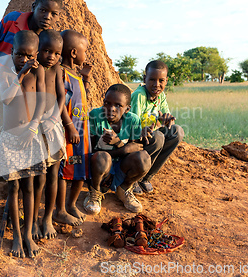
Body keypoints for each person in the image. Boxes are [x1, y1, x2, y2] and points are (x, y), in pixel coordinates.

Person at [0, 0, 63, 228]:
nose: (47, 17)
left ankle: (15, 205)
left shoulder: (45, 39)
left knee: (17, 147)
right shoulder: (12, 21)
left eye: (53, 14)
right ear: (33, 6)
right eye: (43, 10)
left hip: (19, 100)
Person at [0, 30, 46, 258]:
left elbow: (43, 100)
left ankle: (27, 234)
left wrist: (34, 125)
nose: (24, 60)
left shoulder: (40, 71)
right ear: (12, 52)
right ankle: (16, 235)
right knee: (13, 187)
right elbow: (6, 98)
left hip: (31, 136)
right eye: (19, 56)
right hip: (10, 138)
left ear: (36, 54)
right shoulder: (5, 72)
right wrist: (21, 74)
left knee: (29, 186)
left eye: (29, 56)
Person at [85, 84, 151, 214]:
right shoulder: (96, 116)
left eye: (118, 105)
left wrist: (119, 143)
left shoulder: (133, 120)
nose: (111, 109)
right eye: (107, 103)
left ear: (127, 108)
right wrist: (123, 149)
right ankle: (95, 191)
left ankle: (124, 189)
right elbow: (90, 152)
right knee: (102, 157)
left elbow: (134, 152)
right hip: (100, 171)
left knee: (144, 158)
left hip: (121, 168)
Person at [31, 29, 66, 240]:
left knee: (53, 175)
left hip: (53, 126)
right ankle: (33, 219)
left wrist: (54, 119)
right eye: (46, 51)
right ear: (37, 51)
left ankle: (47, 218)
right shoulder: (34, 69)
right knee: (38, 177)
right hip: (36, 128)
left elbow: (61, 96)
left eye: (55, 53)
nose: (51, 56)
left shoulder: (57, 69)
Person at [55, 30, 92, 225]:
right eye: (84, 50)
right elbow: (59, 103)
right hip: (68, 133)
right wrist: (69, 127)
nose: (86, 55)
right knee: (64, 170)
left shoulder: (75, 76)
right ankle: (60, 209)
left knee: (80, 169)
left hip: (82, 134)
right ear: (73, 52)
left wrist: (85, 79)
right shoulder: (61, 75)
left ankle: (71, 205)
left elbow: (79, 98)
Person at [130, 60, 184, 193]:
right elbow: (132, 125)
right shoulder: (139, 96)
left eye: (161, 81)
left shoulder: (161, 96)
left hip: (150, 138)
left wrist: (166, 120)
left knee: (177, 131)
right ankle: (133, 178)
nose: (157, 85)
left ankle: (146, 177)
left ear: (166, 81)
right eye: (152, 80)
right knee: (158, 136)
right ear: (145, 79)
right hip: (135, 138)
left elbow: (166, 116)